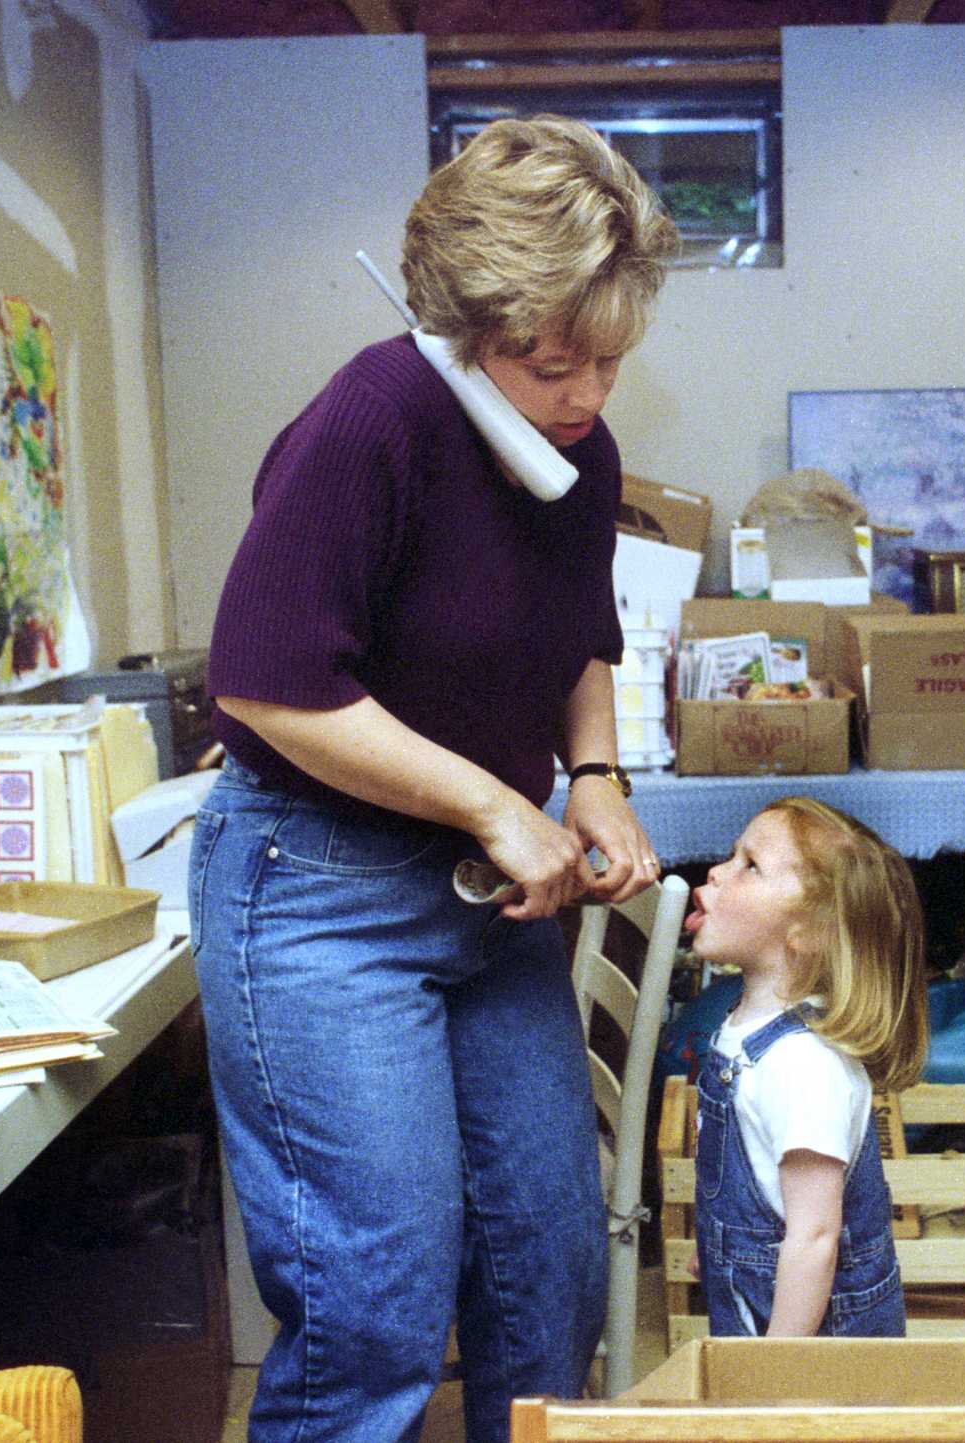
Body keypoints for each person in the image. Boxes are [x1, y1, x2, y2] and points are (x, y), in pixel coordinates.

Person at [188, 115, 679, 1442]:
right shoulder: (375, 415)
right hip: (318, 890)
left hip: (489, 900)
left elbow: (580, 627)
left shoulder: (582, 453)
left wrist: (594, 774)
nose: (586, 394)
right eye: (550, 362)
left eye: (610, 361)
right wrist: (490, 801)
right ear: (466, 325)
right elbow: (266, 682)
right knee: (375, 1310)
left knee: (549, 1281)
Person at [683, 798, 928, 1338]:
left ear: (808, 932)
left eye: (750, 865)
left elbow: (815, 1238)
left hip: (814, 1336)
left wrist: (781, 1370)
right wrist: (720, 1252)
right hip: (761, 1290)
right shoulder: (747, 1026)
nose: (718, 872)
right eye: (731, 856)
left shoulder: (804, 1067)